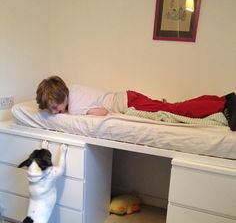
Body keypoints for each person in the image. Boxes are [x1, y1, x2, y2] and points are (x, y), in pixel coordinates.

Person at [36, 75, 236, 131]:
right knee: (175, 106)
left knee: (177, 110)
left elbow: (102, 112)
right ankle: (222, 100)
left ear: (63, 97)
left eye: (55, 108)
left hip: (128, 104)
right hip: (128, 97)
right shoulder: (72, 88)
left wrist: (75, 115)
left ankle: (223, 104)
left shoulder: (76, 106)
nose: (54, 113)